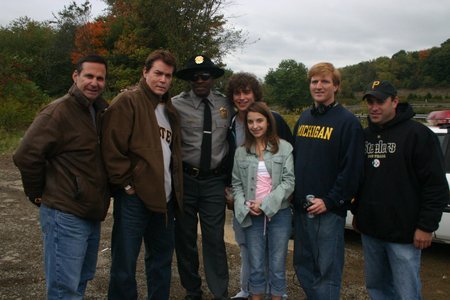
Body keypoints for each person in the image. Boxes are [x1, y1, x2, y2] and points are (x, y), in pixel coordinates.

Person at [13, 54, 110, 299]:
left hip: (90, 212)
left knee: (80, 282)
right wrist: (37, 194)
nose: (94, 82)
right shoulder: (58, 111)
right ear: (76, 76)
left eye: (100, 78)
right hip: (65, 213)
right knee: (63, 289)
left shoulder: (99, 111)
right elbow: (26, 155)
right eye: (89, 76)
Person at [353, 80, 448, 300]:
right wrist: (358, 212)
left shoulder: (418, 135)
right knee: (377, 288)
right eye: (370, 102)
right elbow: (361, 180)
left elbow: (436, 186)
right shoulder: (365, 136)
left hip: (404, 234)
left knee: (406, 292)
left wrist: (426, 226)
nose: (374, 107)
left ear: (395, 102)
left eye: (380, 101)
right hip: (371, 231)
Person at [101, 49, 183, 300]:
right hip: (134, 199)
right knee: (125, 263)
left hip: (165, 200)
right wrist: (126, 185)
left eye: (168, 76)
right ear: (145, 72)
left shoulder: (168, 109)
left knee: (160, 262)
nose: (163, 80)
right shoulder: (128, 101)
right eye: (158, 73)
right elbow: (110, 148)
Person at [292, 62, 364, 299]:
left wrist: (331, 200)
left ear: (336, 86)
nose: (319, 86)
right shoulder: (304, 118)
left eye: (325, 81)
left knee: (327, 272)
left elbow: (352, 169)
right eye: (314, 81)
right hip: (302, 208)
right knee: (303, 266)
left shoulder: (347, 122)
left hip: (328, 211)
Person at [224, 72, 293, 300]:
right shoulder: (232, 124)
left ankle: (276, 293)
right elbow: (235, 174)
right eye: (237, 93)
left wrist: (269, 202)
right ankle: (248, 290)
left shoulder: (280, 134)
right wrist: (240, 199)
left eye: (247, 92)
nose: (242, 97)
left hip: (276, 209)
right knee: (250, 253)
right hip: (247, 206)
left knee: (276, 259)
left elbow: (288, 177)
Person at [172, 55, 233, 300]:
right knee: (185, 239)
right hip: (186, 180)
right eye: (194, 76)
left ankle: (220, 292)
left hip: (214, 182)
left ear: (212, 78)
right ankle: (192, 290)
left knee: (214, 239)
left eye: (204, 76)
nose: (199, 80)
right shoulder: (175, 105)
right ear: (188, 79)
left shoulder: (226, 104)